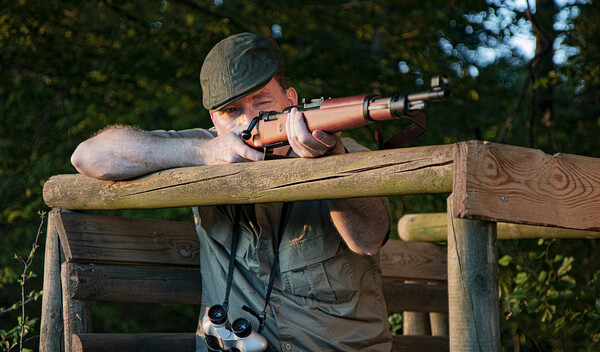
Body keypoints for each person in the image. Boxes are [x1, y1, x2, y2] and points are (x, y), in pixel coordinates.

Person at [71, 32, 392, 351]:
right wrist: (200, 154)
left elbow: (369, 240)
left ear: (291, 99)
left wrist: (330, 162)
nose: (249, 120)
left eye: (262, 101)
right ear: (214, 119)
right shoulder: (208, 146)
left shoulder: (345, 153)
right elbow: (87, 156)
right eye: (231, 111)